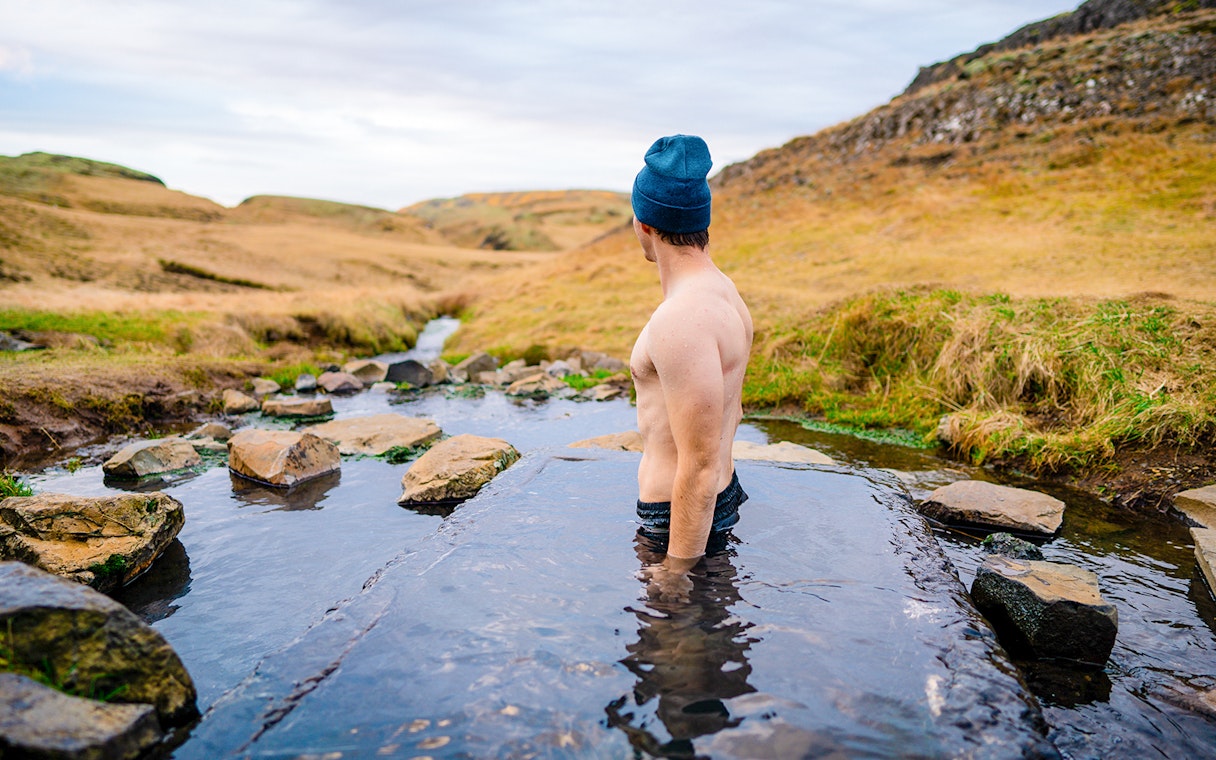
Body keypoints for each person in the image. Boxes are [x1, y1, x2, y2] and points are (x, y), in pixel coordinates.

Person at [629, 134, 754, 571]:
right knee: (716, 632)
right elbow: (731, 413)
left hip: (676, 521)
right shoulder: (724, 290)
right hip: (718, 497)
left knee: (672, 637)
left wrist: (676, 572)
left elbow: (697, 467)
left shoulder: (681, 319)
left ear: (643, 223)